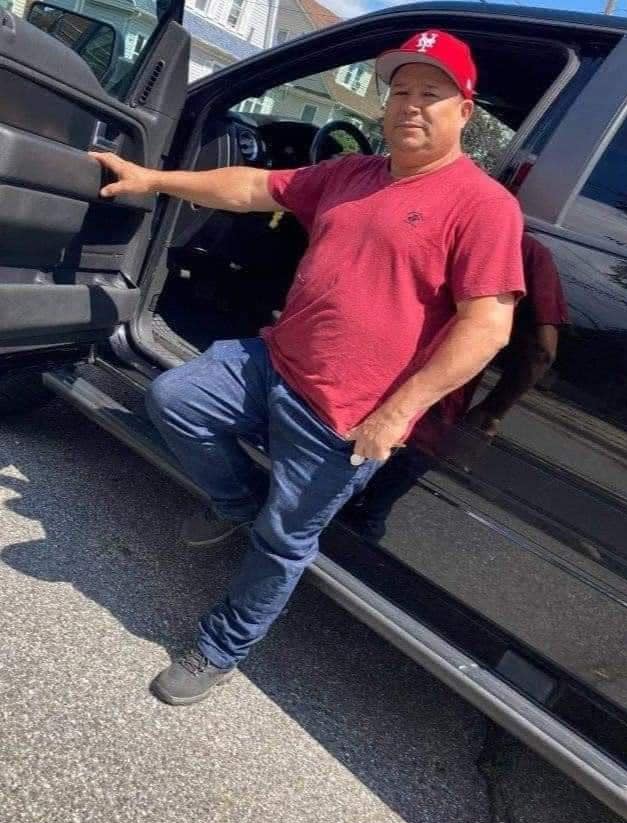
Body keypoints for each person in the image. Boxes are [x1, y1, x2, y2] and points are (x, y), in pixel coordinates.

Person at [90, 30, 525, 706]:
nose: (410, 105)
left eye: (430, 94)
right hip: (275, 363)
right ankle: (238, 503)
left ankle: (219, 649)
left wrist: (397, 413)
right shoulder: (352, 173)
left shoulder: (484, 207)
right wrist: (153, 180)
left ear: (464, 111)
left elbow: (487, 327)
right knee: (176, 398)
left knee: (284, 540)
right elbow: (251, 186)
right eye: (400, 91)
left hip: (347, 413)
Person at [343, 233, 569, 542]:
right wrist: (490, 413)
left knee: (327, 503)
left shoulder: (432, 222)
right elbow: (541, 351)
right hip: (424, 414)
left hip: (363, 390)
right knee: (362, 514)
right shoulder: (521, 249)